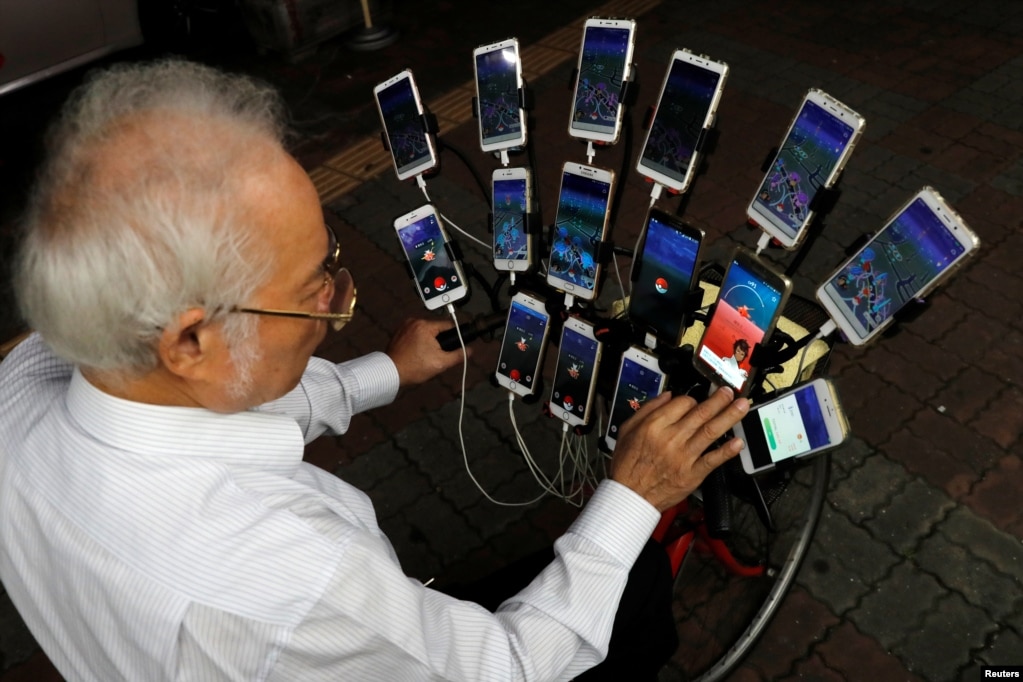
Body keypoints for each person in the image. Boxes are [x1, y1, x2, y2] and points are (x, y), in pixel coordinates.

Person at [0, 59, 749, 681]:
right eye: (313, 288)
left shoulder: (27, 384)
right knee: (635, 595)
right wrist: (632, 495)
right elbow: (509, 667)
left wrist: (385, 371)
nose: (337, 297)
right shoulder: (295, 579)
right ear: (190, 341)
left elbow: (204, 410)